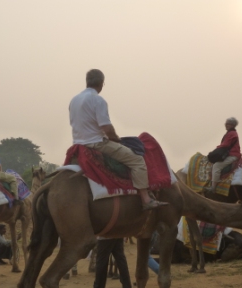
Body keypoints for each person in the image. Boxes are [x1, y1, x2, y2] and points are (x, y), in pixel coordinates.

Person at [69, 69, 168, 210]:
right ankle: (146, 199)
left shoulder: (74, 100)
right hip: (97, 144)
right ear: (102, 84)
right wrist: (116, 139)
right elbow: (107, 129)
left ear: (87, 82)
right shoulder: (98, 100)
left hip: (78, 144)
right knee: (137, 160)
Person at [204, 117, 241, 193]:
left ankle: (213, 188)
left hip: (232, 155)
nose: (226, 125)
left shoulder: (231, 134)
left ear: (233, 125)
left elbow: (225, 145)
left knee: (216, 166)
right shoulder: (231, 133)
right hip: (231, 154)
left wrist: (214, 151)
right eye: (226, 123)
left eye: (228, 124)